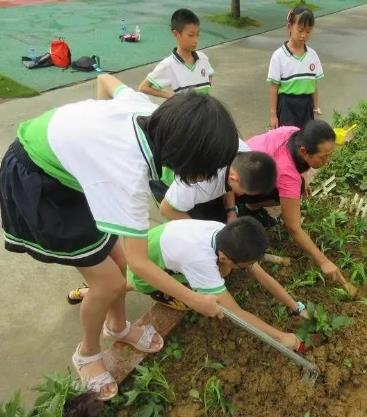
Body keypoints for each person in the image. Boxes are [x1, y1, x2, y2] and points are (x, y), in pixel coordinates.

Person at [0, 73, 237, 400]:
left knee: (120, 264)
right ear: (185, 156)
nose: (208, 177)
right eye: (206, 169)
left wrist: (91, 148)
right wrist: (197, 299)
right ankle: (87, 353)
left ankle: (118, 327)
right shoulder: (126, 176)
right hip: (41, 183)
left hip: (77, 174)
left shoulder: (147, 113)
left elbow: (105, 79)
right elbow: (141, 266)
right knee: (108, 282)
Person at [68, 217, 308, 350]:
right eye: (242, 265)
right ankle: (93, 292)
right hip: (150, 267)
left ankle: (90, 290)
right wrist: (280, 337)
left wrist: (295, 306)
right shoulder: (201, 261)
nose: (247, 269)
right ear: (224, 257)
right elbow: (235, 312)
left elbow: (260, 273)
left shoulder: (225, 235)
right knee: (131, 285)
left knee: (122, 282)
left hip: (158, 242)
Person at [239, 120, 356, 295]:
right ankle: (244, 205)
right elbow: (293, 227)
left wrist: (299, 181)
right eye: (324, 156)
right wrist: (323, 261)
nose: (328, 160)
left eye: (330, 154)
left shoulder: (294, 133)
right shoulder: (287, 173)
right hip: (238, 182)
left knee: (295, 188)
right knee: (291, 192)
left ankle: (252, 206)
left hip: (246, 161)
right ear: (304, 152)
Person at [159, 146, 277, 223]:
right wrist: (200, 230)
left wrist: (231, 212)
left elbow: (228, 184)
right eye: (243, 191)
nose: (241, 194)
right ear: (233, 178)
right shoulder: (199, 183)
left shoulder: (244, 157)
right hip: (167, 172)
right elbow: (166, 209)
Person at [268, 6, 323, 129]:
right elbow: (273, 87)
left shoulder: (312, 55)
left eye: (308, 31)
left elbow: (314, 86)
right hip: (287, 106)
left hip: (307, 105)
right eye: (300, 30)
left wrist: (315, 108)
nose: (304, 35)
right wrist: (273, 115)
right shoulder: (279, 56)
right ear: (289, 27)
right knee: (288, 142)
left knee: (306, 141)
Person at [139, 8, 214, 98]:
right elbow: (143, 87)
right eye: (190, 35)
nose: (196, 40)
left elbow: (210, 74)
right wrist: (172, 97)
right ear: (176, 34)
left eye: (197, 35)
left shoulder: (203, 58)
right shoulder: (168, 64)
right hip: (184, 112)